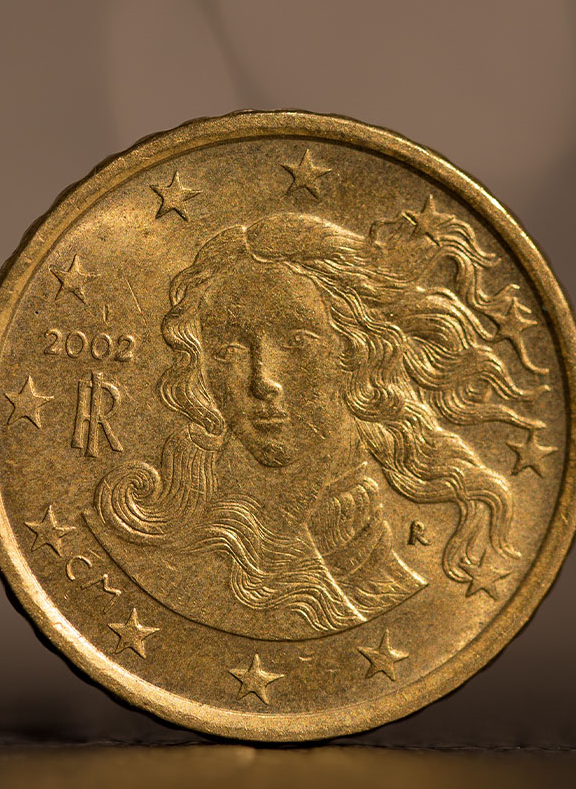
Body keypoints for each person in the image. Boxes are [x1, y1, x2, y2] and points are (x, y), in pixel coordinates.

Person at [86, 208, 547, 640]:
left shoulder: (367, 546)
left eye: (296, 341)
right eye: (228, 350)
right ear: (201, 370)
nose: (262, 379)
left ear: (358, 351)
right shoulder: (182, 546)